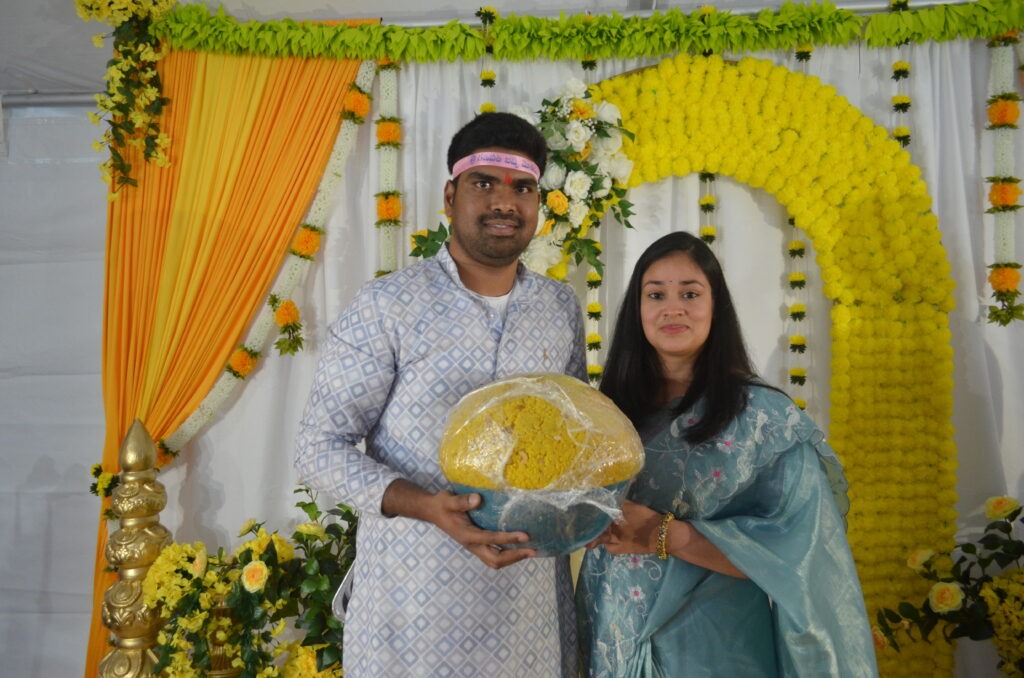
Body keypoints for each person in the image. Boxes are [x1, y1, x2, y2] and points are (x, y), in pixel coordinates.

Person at [294, 112, 585, 677]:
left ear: (538, 204)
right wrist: (427, 506)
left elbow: (571, 435)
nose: (505, 202)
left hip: (526, 609)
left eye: (522, 188)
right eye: (485, 183)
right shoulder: (388, 304)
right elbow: (318, 448)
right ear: (450, 197)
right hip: (411, 605)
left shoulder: (558, 308)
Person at [576, 231, 878, 677]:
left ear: (716, 306)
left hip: (713, 649)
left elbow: (805, 556)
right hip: (612, 635)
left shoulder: (763, 421)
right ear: (637, 310)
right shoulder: (609, 415)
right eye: (655, 294)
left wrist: (666, 535)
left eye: (690, 294)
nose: (672, 308)